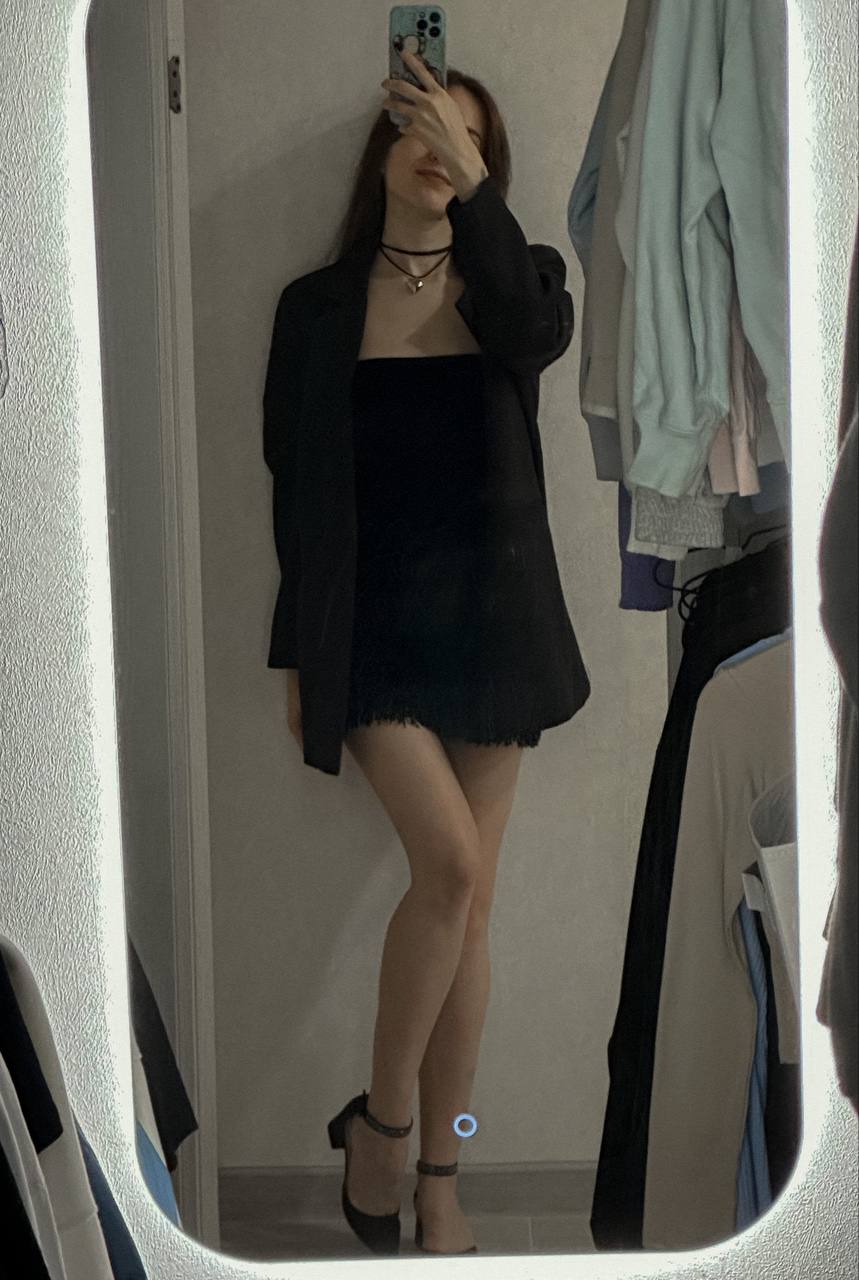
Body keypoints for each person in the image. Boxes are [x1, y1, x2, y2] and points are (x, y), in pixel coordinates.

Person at [270, 49, 590, 1256]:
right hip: (372, 632)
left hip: (495, 626)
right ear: (381, 148)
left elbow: (534, 334)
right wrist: (297, 657)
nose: (438, 149)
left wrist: (479, 192)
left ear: (482, 167)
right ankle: (388, 1125)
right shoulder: (316, 307)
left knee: (472, 907)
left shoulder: (517, 277)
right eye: (419, 124)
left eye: (464, 139)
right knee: (447, 867)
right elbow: (292, 494)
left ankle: (442, 1170)